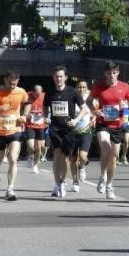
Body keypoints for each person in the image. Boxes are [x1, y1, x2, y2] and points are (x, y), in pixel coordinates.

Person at [87, 61, 129, 200]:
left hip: (118, 125)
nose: (112, 76)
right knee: (106, 147)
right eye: (109, 73)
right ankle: (102, 175)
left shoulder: (124, 87)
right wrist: (94, 111)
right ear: (105, 73)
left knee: (114, 156)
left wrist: (126, 105)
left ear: (118, 73)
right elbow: (89, 101)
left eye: (114, 73)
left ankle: (109, 185)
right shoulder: (99, 86)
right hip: (103, 124)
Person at [0, 70, 30, 201]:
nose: (11, 86)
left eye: (14, 84)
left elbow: (27, 104)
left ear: (18, 82)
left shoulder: (21, 92)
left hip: (15, 130)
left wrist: (24, 116)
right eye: (9, 83)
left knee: (13, 159)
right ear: (4, 80)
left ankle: (10, 189)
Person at [45, 66, 88, 197]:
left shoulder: (72, 92)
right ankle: (57, 184)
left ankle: (62, 182)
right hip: (55, 128)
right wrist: (45, 116)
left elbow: (84, 109)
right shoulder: (50, 92)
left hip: (68, 129)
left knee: (64, 158)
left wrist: (76, 120)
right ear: (53, 78)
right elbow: (44, 108)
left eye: (61, 76)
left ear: (65, 78)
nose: (59, 79)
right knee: (57, 154)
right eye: (56, 76)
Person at [69, 79, 93, 191]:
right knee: (73, 158)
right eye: (79, 87)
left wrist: (94, 120)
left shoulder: (90, 99)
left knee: (83, 156)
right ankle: (75, 181)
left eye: (84, 87)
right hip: (72, 132)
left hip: (85, 132)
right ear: (76, 88)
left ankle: (82, 167)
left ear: (87, 88)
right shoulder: (71, 98)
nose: (81, 89)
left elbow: (96, 112)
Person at [25, 85, 48, 174]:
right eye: (36, 94)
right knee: (31, 146)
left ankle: (35, 165)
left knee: (39, 148)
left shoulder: (45, 96)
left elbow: (49, 106)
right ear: (33, 92)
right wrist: (26, 114)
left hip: (40, 125)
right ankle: (30, 156)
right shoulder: (27, 96)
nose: (38, 96)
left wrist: (47, 117)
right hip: (30, 125)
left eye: (40, 94)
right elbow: (20, 108)